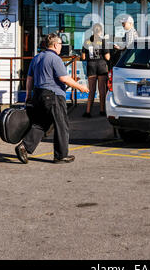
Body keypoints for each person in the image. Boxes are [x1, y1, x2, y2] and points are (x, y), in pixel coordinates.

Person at [15, 33, 89, 165]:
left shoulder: (37, 58)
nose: (61, 47)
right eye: (60, 44)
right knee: (61, 125)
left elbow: (30, 79)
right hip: (53, 96)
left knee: (41, 124)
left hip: (38, 94)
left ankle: (24, 147)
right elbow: (64, 78)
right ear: (55, 45)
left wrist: (28, 95)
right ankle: (60, 156)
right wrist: (80, 87)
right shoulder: (55, 59)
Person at [81, 23, 110, 118]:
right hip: (101, 66)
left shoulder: (87, 41)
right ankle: (102, 110)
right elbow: (107, 57)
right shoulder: (103, 41)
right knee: (102, 89)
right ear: (100, 31)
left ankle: (88, 111)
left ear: (93, 31)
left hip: (91, 66)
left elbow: (83, 57)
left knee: (92, 90)